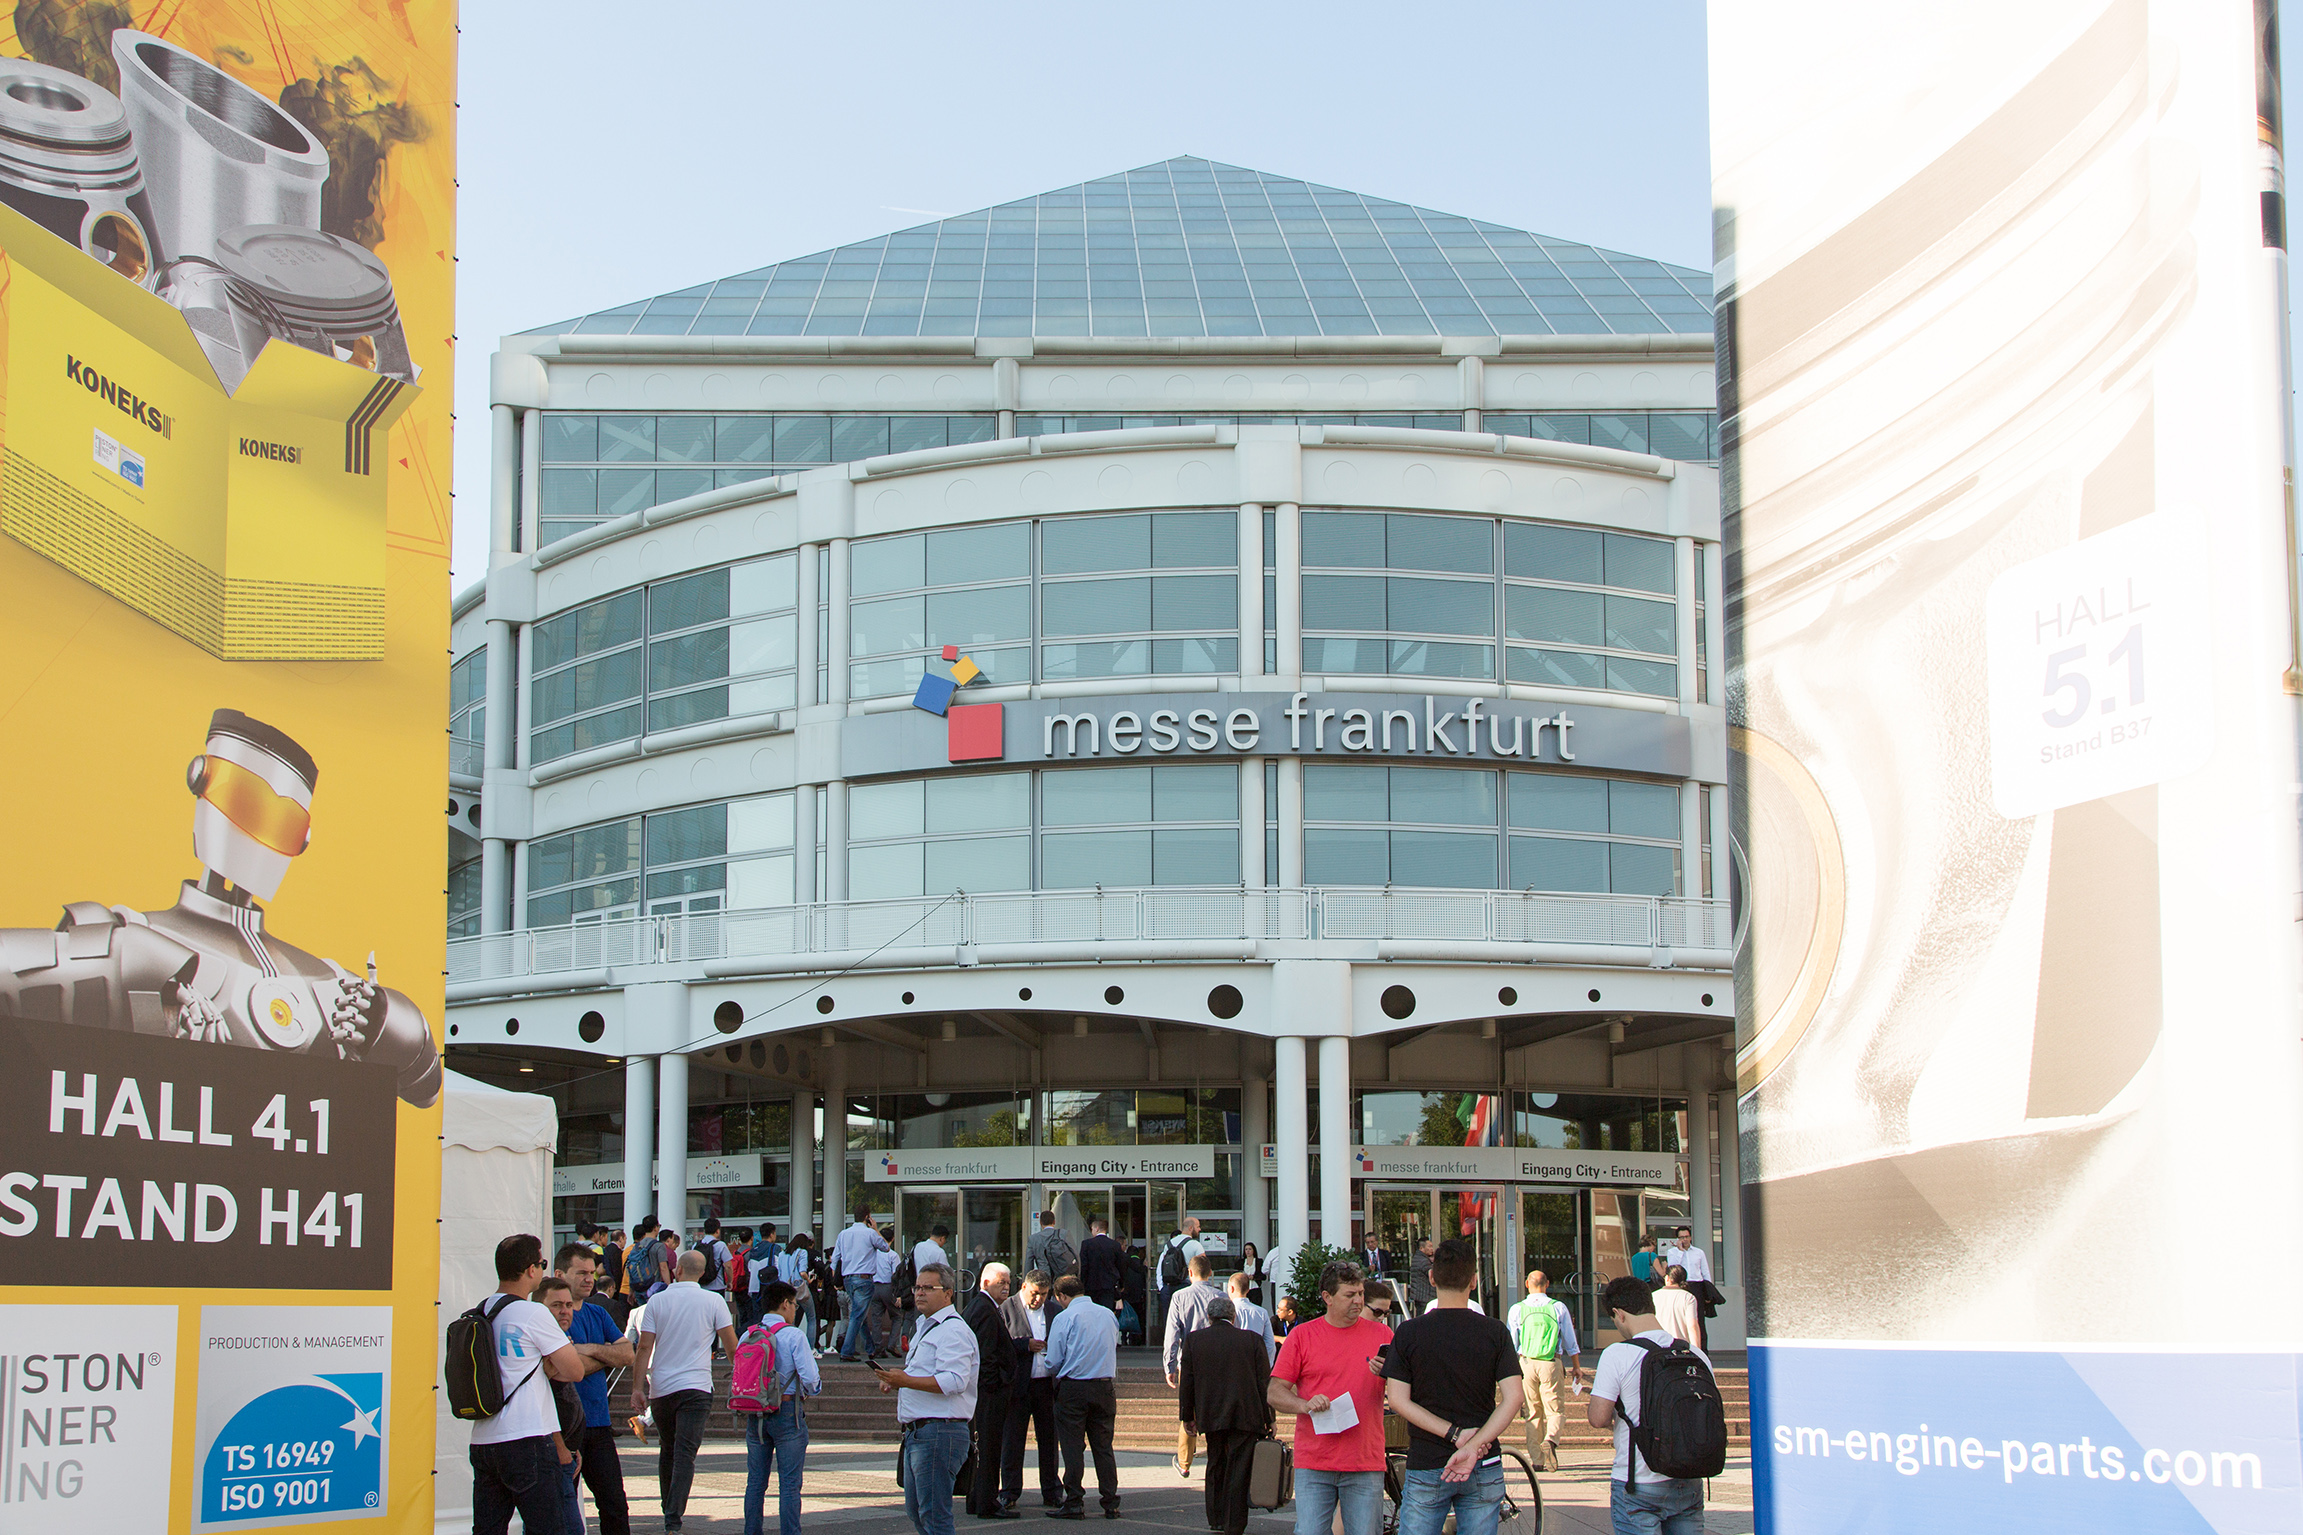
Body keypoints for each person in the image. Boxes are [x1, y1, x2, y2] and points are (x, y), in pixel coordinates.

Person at [1383, 1239, 1523, 1535]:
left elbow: (1397, 1400)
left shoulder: (1409, 1332)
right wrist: (1473, 1445)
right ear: (1474, 1281)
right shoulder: (1495, 1331)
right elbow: (1513, 1399)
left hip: (1427, 1460)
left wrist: (1454, 1434)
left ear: (1432, 1278)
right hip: (1483, 1460)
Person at [469, 1234, 587, 1535]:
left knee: (487, 1529)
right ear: (530, 1269)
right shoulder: (532, 1312)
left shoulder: (480, 1312)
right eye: (541, 1264)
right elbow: (574, 1370)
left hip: (483, 1439)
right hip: (527, 1438)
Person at [1266, 1260, 1391, 1535]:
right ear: (1327, 1297)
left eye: (1360, 1294)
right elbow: (1274, 1392)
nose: (1358, 1301)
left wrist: (1392, 1375)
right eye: (1349, 1295)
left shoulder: (1383, 1335)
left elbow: (1403, 1391)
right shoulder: (1302, 1335)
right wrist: (1305, 1405)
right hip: (1315, 1460)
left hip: (1364, 1460)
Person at [1589, 1276, 1714, 1535]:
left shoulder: (1617, 1354)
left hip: (1638, 1482)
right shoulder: (1695, 1354)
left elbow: (1598, 1418)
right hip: (1688, 1479)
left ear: (1618, 1314)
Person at [630, 1248, 736, 1534]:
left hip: (662, 1388)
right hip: (697, 1386)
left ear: (677, 1271)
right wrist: (739, 1376)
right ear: (703, 1273)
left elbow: (644, 1347)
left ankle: (669, 1509)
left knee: (668, 1448)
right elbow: (730, 1345)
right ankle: (673, 1519)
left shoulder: (658, 1301)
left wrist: (637, 1388)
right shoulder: (714, 1301)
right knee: (685, 1452)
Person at [874, 1262, 978, 1535]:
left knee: (934, 1515)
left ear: (948, 1293)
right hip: (920, 1432)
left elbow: (955, 1381)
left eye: (928, 1288)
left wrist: (905, 1381)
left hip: (939, 1431)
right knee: (919, 1512)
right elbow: (925, 1373)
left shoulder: (953, 1330)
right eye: (917, 1287)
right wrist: (899, 1381)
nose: (919, 1293)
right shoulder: (925, 1326)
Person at [554, 1242, 635, 1535]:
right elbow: (564, 1368)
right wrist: (604, 1355)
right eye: (581, 1272)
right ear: (560, 1273)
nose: (589, 1278)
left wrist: (586, 1350)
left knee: (614, 1505)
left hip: (599, 1425)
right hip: (562, 1428)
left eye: (592, 1272)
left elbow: (628, 1355)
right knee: (559, 1509)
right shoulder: (548, 1317)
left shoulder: (597, 1314)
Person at [1178, 1293, 1272, 1535]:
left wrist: (1187, 1415)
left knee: (1215, 1462)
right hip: (1247, 1414)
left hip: (1211, 1412)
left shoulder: (1194, 1340)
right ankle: (1235, 1522)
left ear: (1208, 1318)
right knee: (1239, 1469)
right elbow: (1264, 1383)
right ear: (1234, 1316)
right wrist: (1269, 1417)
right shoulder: (1252, 1340)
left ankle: (1216, 1517)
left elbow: (1187, 1381)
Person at [741, 1279, 821, 1535]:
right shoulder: (794, 1335)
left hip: (755, 1412)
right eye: (794, 1304)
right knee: (788, 1484)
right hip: (787, 1412)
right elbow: (809, 1378)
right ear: (785, 1304)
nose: (796, 1310)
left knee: (755, 1482)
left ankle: (752, 1531)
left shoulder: (748, 1333)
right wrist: (812, 1391)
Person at [1042, 1274, 1121, 1520]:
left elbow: (1053, 1360)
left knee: (1072, 1447)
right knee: (1103, 1446)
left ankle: (1074, 1500)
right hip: (1104, 1386)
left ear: (1060, 1296)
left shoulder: (1064, 1317)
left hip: (1074, 1387)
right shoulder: (1107, 1314)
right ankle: (1110, 1501)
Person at [1504, 1268, 1583, 1473]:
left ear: (1527, 1284)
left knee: (1532, 1412)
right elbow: (1569, 1340)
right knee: (1555, 1409)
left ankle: (1537, 1461)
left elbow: (1512, 1343)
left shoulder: (1517, 1309)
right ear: (1547, 1284)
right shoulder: (1558, 1307)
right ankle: (1551, 1439)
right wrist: (1576, 1366)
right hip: (1551, 1362)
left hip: (1527, 1363)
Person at [533, 1277, 593, 1535]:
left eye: (568, 1304)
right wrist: (559, 1446)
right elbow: (540, 1403)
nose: (564, 1310)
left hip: (566, 1449)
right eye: (556, 1304)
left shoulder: (560, 1341)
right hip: (551, 1452)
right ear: (539, 1308)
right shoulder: (538, 1347)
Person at [963, 1263, 1021, 1520]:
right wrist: (997, 1385)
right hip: (988, 1393)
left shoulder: (982, 1306)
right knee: (988, 1447)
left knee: (983, 1447)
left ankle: (978, 1498)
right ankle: (986, 1501)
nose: (1007, 1287)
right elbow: (986, 1355)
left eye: (1008, 1282)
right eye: (1001, 1283)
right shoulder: (985, 1310)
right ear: (985, 1283)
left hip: (985, 1392)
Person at [1001, 1268, 1062, 1513]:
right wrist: (1024, 1345)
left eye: (1044, 1295)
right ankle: (1010, 1491)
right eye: (1035, 1294)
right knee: (1013, 1440)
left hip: (1046, 1384)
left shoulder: (1054, 1310)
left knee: (1049, 1439)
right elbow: (1000, 1343)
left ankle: (1051, 1491)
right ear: (1024, 1287)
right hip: (1019, 1385)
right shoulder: (1007, 1308)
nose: (1039, 1299)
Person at [1162, 1251, 1227, 1475]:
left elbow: (1172, 1334)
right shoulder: (1222, 1297)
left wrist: (1169, 1366)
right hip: (1218, 1360)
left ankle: (1184, 1462)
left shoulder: (1180, 1297)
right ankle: (1217, 1456)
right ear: (1210, 1274)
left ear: (1189, 1273)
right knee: (1217, 1408)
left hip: (1190, 1360)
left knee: (1188, 1408)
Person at [833, 1206, 891, 1360]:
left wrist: (834, 1277)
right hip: (864, 1279)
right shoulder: (870, 1233)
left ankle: (871, 1349)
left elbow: (835, 1257)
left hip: (848, 1279)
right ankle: (846, 1351)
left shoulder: (843, 1234)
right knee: (857, 1316)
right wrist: (876, 1229)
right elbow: (886, 1248)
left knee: (859, 1315)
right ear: (867, 1217)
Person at [1155, 1216, 1206, 1332]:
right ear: (1190, 1227)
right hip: (1186, 1286)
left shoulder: (1168, 1244)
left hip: (1168, 1288)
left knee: (1170, 1324)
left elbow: (1160, 1266)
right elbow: (1204, 1267)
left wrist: (1161, 1287)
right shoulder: (1195, 1245)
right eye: (1198, 1227)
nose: (1200, 1229)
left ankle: (1171, 1347)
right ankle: (1185, 1348)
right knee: (1187, 1322)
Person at [1226, 1270, 1276, 1363]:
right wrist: (1265, 1366)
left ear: (1231, 1288)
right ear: (1248, 1289)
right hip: (1255, 1362)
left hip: (1232, 1363)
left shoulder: (1227, 1311)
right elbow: (1270, 1343)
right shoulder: (1262, 1312)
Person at [869, 1230, 905, 1357]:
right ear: (893, 1239)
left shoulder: (874, 1254)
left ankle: (878, 1347)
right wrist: (899, 1294)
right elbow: (896, 1275)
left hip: (874, 1287)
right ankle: (892, 1344)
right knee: (897, 1316)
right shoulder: (892, 1255)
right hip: (888, 1287)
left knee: (876, 1319)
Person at [1078, 1216, 1122, 1312]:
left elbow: (1084, 1266)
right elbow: (1120, 1266)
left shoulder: (1086, 1244)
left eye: (1092, 1229)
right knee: (1106, 1313)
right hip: (1108, 1286)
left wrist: (1082, 1284)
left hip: (1091, 1286)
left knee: (1092, 1314)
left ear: (1096, 1229)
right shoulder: (1115, 1245)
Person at [1652, 1266, 1703, 1349]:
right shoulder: (1688, 1297)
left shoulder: (1653, 1296)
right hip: (1681, 1349)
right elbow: (1692, 1326)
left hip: (1658, 1348)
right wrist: (1697, 1351)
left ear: (1667, 1278)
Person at [745, 1225, 782, 1332]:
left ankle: (757, 1343)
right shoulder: (775, 1248)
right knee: (771, 1320)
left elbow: (750, 1268)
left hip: (754, 1289)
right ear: (772, 1234)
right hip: (769, 1288)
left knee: (757, 1321)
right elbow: (778, 1267)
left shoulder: (753, 1250)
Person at [1028, 1209, 1079, 1280]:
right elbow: (1075, 1253)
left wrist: (1027, 1281)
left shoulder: (1033, 1239)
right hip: (1063, 1276)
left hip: (1045, 1278)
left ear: (1040, 1222)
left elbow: (1028, 1262)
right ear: (1054, 1221)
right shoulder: (1064, 1234)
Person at [1407, 1239, 1437, 1311]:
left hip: (1420, 1295)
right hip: (1425, 1296)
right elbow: (1433, 1275)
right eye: (1429, 1246)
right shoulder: (1424, 1261)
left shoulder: (1417, 1258)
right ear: (1421, 1248)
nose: (1432, 1249)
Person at [1237, 1242, 1264, 1306]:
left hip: (1255, 1287)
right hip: (1244, 1288)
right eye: (1246, 1249)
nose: (1248, 1251)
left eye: (1250, 1249)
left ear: (1253, 1250)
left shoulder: (1258, 1261)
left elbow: (1263, 1275)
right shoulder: (1241, 1262)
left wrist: (1253, 1277)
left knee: (1256, 1305)